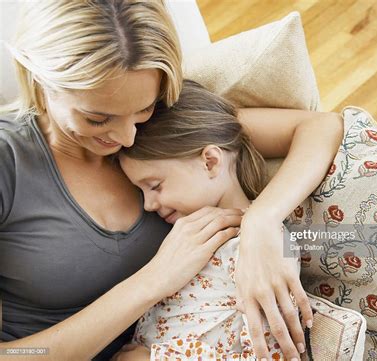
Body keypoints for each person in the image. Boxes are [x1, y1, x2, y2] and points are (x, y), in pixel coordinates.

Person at [0, 1, 343, 360]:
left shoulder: (156, 130)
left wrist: (263, 220)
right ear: (38, 79)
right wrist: (153, 281)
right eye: (97, 118)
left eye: (142, 109)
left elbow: (319, 126)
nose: (127, 137)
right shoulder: (10, 163)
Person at [117, 79, 300, 360]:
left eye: (154, 186)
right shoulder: (186, 239)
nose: (149, 205)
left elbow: (268, 353)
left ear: (210, 162)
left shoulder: (258, 251)